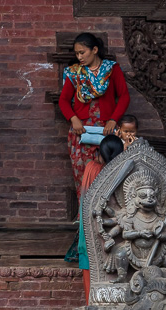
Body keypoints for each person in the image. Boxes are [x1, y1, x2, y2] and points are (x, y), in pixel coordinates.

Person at [59, 33, 130, 192]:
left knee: (109, 170)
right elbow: (63, 100)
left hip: (107, 130)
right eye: (77, 53)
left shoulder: (112, 69)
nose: (79, 57)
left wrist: (113, 120)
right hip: (81, 131)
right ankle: (84, 214)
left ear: (95, 50)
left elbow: (124, 96)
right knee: (83, 174)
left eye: (82, 52)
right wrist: (73, 119)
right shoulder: (74, 72)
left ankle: (106, 213)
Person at [76, 135, 125, 302]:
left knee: (91, 275)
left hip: (90, 232)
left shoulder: (91, 167)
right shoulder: (121, 172)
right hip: (115, 235)